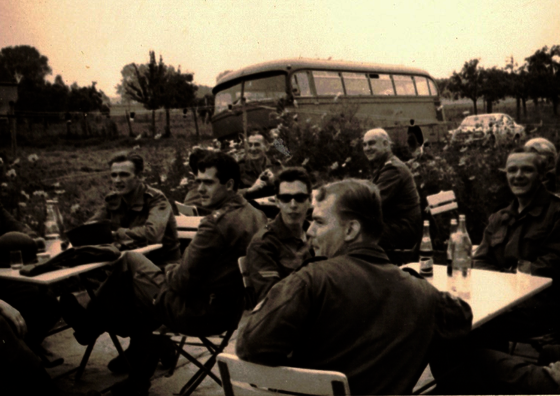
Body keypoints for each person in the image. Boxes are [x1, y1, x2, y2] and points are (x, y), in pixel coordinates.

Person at [236, 179, 472, 395]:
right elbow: (460, 320)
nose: (309, 231)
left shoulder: (310, 280)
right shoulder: (424, 294)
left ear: (351, 230)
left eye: (318, 221)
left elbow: (250, 345)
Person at [61, 151, 267, 395]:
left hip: (198, 312)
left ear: (230, 185)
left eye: (208, 182)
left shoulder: (215, 223)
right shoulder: (255, 214)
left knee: (130, 264)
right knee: (138, 292)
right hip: (228, 311)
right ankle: (139, 373)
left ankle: (90, 325)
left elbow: (180, 282)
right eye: (197, 181)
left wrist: (168, 269)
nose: (200, 189)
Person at [474, 146, 560, 341]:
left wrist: (504, 283)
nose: (518, 176)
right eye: (512, 170)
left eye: (527, 170)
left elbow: (552, 264)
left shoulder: (556, 214)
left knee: (474, 326)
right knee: (452, 317)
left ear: (541, 175)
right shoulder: (500, 217)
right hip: (501, 301)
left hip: (541, 307)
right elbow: (480, 260)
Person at [89, 151, 180, 266]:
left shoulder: (156, 199)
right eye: (114, 175)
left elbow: (153, 234)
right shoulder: (113, 200)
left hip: (161, 265)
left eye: (124, 175)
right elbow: (90, 227)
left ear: (140, 176)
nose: (117, 180)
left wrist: (116, 234)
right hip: (126, 264)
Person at [245, 167, 313, 307]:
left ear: (310, 200)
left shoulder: (317, 232)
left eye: (299, 198)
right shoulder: (264, 243)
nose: (293, 205)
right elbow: (271, 299)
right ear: (277, 201)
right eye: (286, 198)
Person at [362, 128, 422, 251]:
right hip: (397, 226)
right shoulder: (385, 166)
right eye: (364, 144)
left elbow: (371, 203)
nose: (367, 148)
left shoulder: (393, 169)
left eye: (371, 143)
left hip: (403, 230)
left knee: (352, 236)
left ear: (385, 144)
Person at [238, 133, 281, 199]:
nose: (252, 148)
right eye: (250, 145)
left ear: (267, 147)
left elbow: (288, 189)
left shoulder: (276, 166)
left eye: (257, 145)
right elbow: (229, 194)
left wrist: (273, 182)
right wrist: (250, 190)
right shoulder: (239, 168)